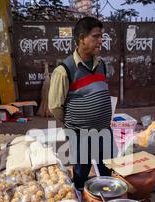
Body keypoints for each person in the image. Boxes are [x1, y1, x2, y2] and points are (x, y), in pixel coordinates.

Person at [48, 17, 115, 189]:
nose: (100, 41)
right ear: (81, 38)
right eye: (96, 37)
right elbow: (55, 106)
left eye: (101, 36)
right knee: (80, 176)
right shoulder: (64, 70)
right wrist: (74, 121)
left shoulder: (102, 65)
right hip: (79, 135)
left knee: (108, 173)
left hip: (104, 132)